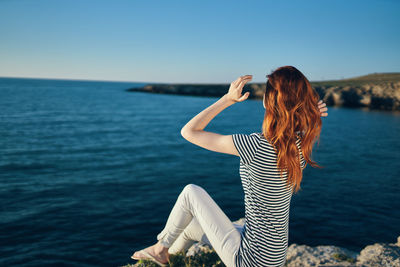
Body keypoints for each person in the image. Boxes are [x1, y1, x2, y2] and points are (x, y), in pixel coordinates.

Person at [131, 66, 328, 267]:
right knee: (192, 227)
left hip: (250, 261)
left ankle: (159, 247)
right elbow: (300, 124)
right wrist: (312, 113)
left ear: (269, 101)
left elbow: (188, 131)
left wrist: (227, 99)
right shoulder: (300, 146)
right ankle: (167, 257)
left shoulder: (255, 145)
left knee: (191, 193)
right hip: (274, 257)